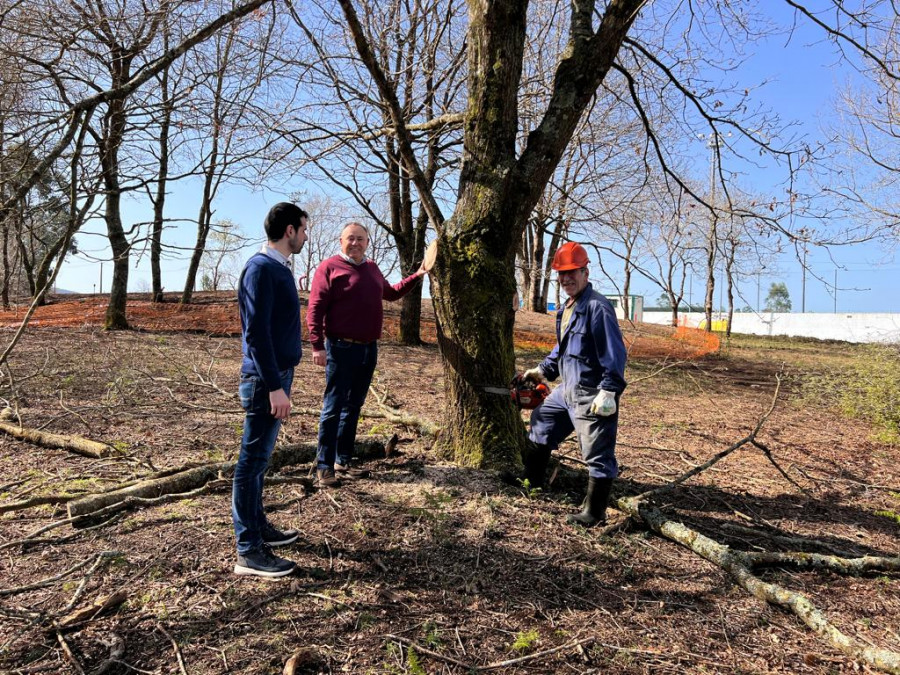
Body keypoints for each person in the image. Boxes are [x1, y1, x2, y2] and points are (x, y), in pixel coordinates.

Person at [307, 222, 427, 486]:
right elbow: (315, 309)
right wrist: (316, 345)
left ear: (367, 242)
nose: (355, 243)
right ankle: (324, 466)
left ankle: (343, 461)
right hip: (340, 347)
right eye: (350, 238)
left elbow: (392, 293)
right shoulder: (329, 268)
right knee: (333, 407)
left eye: (360, 239)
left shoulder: (372, 268)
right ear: (341, 241)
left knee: (353, 407)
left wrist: (417, 275)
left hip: (368, 348)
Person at [521, 241, 627, 527]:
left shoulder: (597, 307)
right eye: (561, 273)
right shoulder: (568, 307)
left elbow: (615, 353)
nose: (566, 278)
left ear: (585, 272)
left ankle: (594, 512)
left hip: (592, 393)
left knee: (596, 451)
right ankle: (531, 482)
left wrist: (610, 390)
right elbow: (564, 347)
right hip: (566, 389)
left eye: (572, 272)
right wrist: (542, 370)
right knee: (542, 420)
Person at [232, 202, 308, 578]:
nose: (306, 236)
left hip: (276, 376)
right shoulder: (260, 269)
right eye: (304, 230)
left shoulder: (277, 269)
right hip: (265, 380)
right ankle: (248, 551)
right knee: (250, 463)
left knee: (260, 461)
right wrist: (276, 387)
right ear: (290, 230)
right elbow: (256, 335)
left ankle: (259, 528)